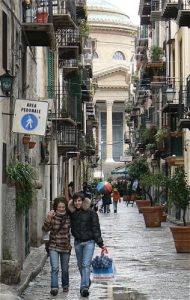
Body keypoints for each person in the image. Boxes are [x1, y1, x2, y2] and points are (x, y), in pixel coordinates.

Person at [68, 192, 107, 297]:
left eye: (79, 200)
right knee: (80, 266)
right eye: (75, 201)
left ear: (83, 201)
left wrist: (101, 244)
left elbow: (96, 229)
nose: (77, 203)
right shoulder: (72, 213)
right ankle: (86, 280)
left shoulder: (91, 213)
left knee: (86, 265)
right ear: (73, 202)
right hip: (77, 242)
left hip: (89, 242)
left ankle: (84, 287)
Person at [42, 197, 71, 296]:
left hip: (65, 246)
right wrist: (48, 217)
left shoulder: (68, 217)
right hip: (53, 246)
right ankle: (54, 287)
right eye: (59, 207)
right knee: (55, 268)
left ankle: (65, 285)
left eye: (63, 207)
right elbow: (45, 229)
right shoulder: (52, 216)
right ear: (56, 207)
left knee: (65, 268)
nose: (61, 209)